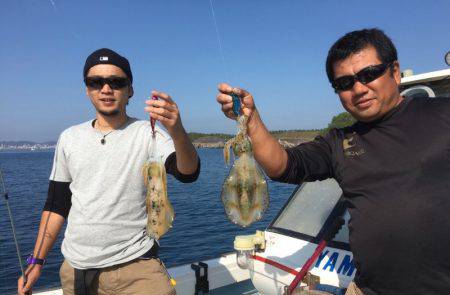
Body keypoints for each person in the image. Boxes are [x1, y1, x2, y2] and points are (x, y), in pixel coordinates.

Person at [216, 28, 450, 294]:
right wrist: (251, 117)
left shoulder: (443, 115)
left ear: (395, 72)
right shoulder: (339, 142)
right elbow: (283, 165)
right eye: (345, 83)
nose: (359, 89)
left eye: (369, 74)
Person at [18, 48, 200, 295]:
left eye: (116, 82)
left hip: (136, 267)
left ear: (130, 90)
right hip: (76, 270)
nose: (106, 89)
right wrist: (36, 261)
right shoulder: (69, 138)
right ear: (87, 89)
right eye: (96, 82)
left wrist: (177, 129)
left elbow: (187, 172)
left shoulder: (148, 133)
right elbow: (56, 205)